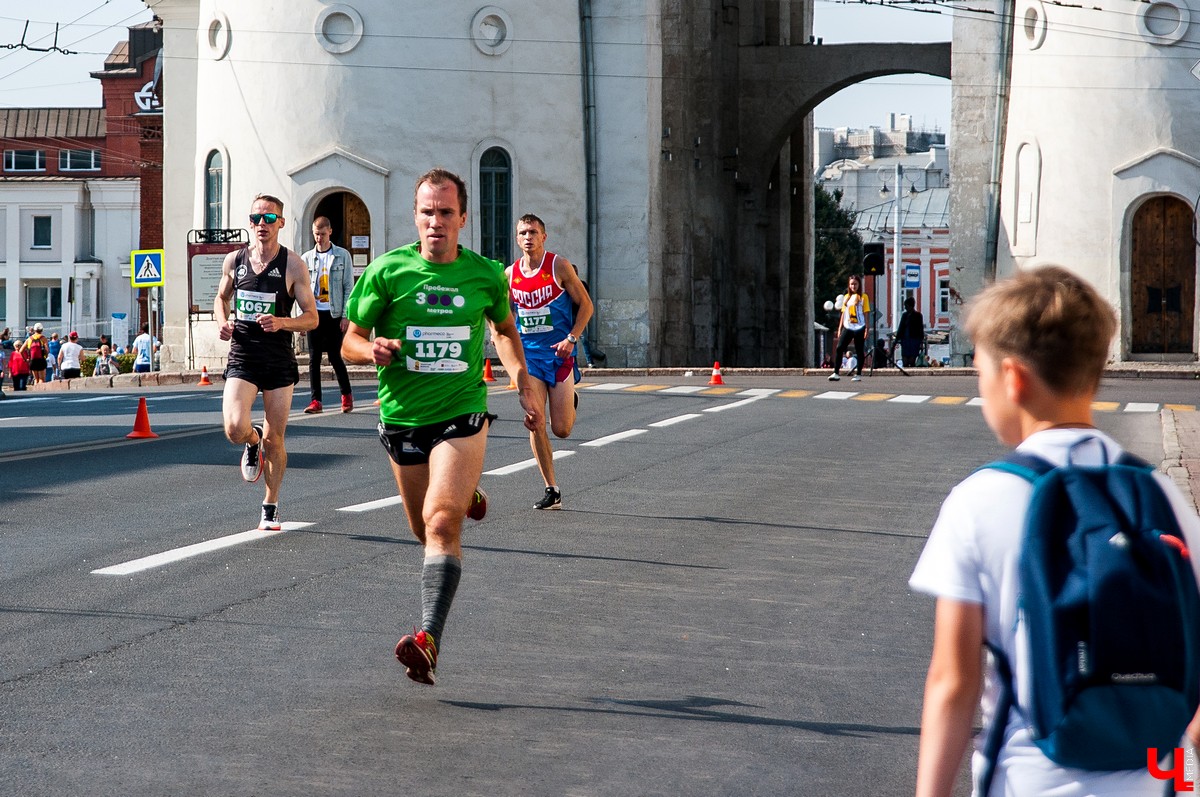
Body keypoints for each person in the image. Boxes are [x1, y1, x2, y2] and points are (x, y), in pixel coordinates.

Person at [909, 266, 1200, 797]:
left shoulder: (979, 500)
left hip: (1027, 781)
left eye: (980, 373)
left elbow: (954, 682)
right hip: (1156, 782)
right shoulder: (1161, 496)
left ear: (1013, 379)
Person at [341, 168, 542, 686]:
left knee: (441, 522)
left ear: (463, 218)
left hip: (461, 411)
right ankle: (466, 488)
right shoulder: (387, 273)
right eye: (427, 212)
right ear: (415, 217)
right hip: (403, 418)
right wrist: (371, 348)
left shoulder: (485, 275)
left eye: (446, 212)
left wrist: (521, 379)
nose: (436, 221)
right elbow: (350, 341)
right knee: (421, 529)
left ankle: (428, 639)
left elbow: (504, 329)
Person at [214, 193, 318, 531]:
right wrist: (223, 322)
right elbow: (221, 298)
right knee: (234, 428)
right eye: (256, 218)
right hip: (243, 355)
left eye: (269, 218)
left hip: (277, 360)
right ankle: (251, 440)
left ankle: (270, 505)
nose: (262, 224)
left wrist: (282, 322)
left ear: (281, 223)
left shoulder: (293, 265)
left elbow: (312, 317)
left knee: (276, 440)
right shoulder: (235, 260)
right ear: (250, 223)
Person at [508, 213, 594, 510]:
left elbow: (586, 305)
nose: (528, 237)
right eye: (523, 233)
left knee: (562, 429)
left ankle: (570, 398)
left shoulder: (558, 266)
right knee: (535, 421)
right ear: (517, 238)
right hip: (529, 358)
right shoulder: (509, 274)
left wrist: (572, 338)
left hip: (559, 355)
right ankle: (551, 489)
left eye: (533, 232)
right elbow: (504, 314)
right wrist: (499, 334)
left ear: (544, 236)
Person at [299, 216, 355, 414]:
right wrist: (300, 319)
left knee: (334, 356)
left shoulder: (342, 255)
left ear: (330, 232)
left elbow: (348, 287)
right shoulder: (306, 258)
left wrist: (346, 315)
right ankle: (316, 401)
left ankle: (346, 395)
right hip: (314, 314)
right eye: (316, 234)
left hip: (334, 313)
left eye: (322, 234)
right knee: (314, 359)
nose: (319, 238)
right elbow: (301, 290)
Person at [828, 275, 869, 382]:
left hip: (859, 327)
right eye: (851, 284)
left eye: (855, 284)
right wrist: (840, 328)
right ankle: (836, 372)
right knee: (840, 347)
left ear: (859, 285)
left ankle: (858, 374)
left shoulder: (863, 297)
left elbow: (866, 313)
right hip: (848, 326)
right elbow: (843, 313)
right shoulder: (846, 297)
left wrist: (867, 328)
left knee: (859, 350)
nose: (853, 286)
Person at [895, 296, 926, 368]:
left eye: (906, 306)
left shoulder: (918, 315)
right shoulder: (904, 315)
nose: (905, 308)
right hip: (905, 341)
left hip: (914, 341)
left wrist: (921, 341)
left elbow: (920, 329)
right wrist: (897, 339)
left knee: (912, 361)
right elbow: (901, 328)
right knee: (905, 361)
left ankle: (911, 372)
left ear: (911, 306)